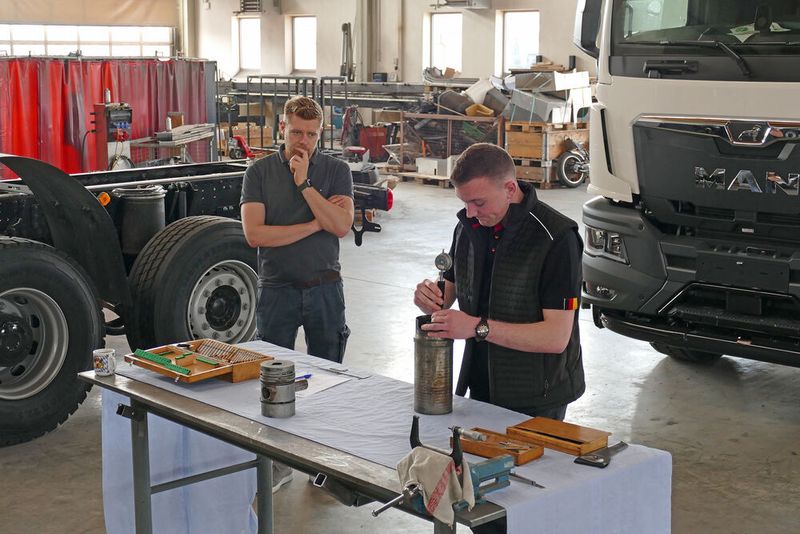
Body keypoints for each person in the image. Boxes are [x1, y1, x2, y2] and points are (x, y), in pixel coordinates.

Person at [413, 142, 585, 420]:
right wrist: (428, 299)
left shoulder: (556, 238)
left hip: (536, 397)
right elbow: (446, 296)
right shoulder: (469, 228)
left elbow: (556, 338)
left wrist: (476, 327)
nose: (470, 213)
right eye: (464, 203)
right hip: (479, 386)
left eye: (478, 202)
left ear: (509, 188)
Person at [241, 95, 354, 491]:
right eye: (295, 132)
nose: (302, 141)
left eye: (310, 133)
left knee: (328, 376)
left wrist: (305, 185)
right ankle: (277, 462)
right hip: (277, 290)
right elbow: (255, 234)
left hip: (324, 287)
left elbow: (341, 226)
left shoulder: (337, 170)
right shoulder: (258, 173)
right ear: (281, 130)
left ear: (320, 134)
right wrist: (313, 224)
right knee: (274, 380)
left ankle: (324, 463)